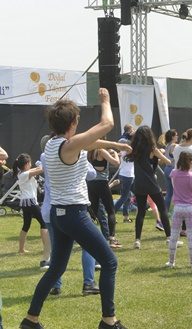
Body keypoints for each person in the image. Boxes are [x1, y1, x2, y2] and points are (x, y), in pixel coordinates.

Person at [20, 88, 128, 329]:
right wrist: (105, 100)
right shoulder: (68, 146)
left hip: (59, 214)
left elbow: (90, 140)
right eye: (77, 120)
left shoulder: (52, 144)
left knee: (56, 268)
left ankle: (30, 320)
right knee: (110, 262)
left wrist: (115, 146)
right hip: (73, 214)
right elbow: (107, 122)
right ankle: (109, 321)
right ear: (72, 122)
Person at [39, 134, 100, 297]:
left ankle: (56, 285)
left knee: (57, 252)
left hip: (50, 210)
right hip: (72, 207)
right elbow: (92, 174)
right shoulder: (74, 153)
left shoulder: (44, 157)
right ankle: (88, 282)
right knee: (89, 246)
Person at [128, 126, 173, 250]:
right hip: (151, 184)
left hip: (139, 184)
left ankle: (137, 240)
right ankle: (169, 238)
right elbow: (167, 161)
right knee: (162, 209)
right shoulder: (152, 149)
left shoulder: (135, 150)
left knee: (141, 212)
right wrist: (163, 155)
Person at [166, 152, 192, 269]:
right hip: (189, 208)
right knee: (191, 236)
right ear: (190, 162)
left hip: (177, 207)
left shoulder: (173, 173)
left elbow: (175, 186)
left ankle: (171, 262)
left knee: (174, 236)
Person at [13, 154, 51, 266]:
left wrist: (39, 165)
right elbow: (40, 170)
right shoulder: (25, 174)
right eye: (29, 163)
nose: (31, 164)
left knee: (26, 225)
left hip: (25, 203)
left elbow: (36, 169)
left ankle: (21, 249)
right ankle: (46, 249)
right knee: (44, 224)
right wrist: (42, 163)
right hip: (30, 203)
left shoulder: (22, 173)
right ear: (26, 164)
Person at [87, 146, 122, 248]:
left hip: (91, 183)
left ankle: (90, 237)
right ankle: (111, 238)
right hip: (102, 183)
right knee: (111, 211)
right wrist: (115, 153)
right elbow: (116, 163)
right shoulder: (101, 151)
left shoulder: (89, 152)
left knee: (93, 212)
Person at [161, 129, 179, 213]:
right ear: (172, 137)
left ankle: (165, 211)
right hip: (172, 169)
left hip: (167, 169)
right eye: (176, 135)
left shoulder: (168, 145)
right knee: (177, 192)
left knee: (169, 193)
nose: (177, 136)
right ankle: (175, 211)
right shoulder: (173, 146)